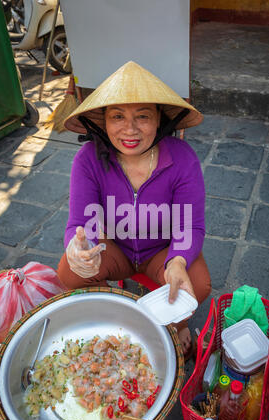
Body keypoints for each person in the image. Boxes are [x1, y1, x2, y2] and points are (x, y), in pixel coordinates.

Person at [57, 61, 211, 359]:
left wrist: (178, 260)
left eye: (143, 116)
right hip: (115, 248)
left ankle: (177, 324)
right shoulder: (87, 160)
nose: (130, 129)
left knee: (198, 283)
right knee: (69, 271)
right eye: (117, 117)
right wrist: (81, 250)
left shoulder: (182, 159)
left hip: (161, 252)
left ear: (158, 121)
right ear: (103, 121)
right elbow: (80, 222)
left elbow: (190, 226)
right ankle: (116, 322)